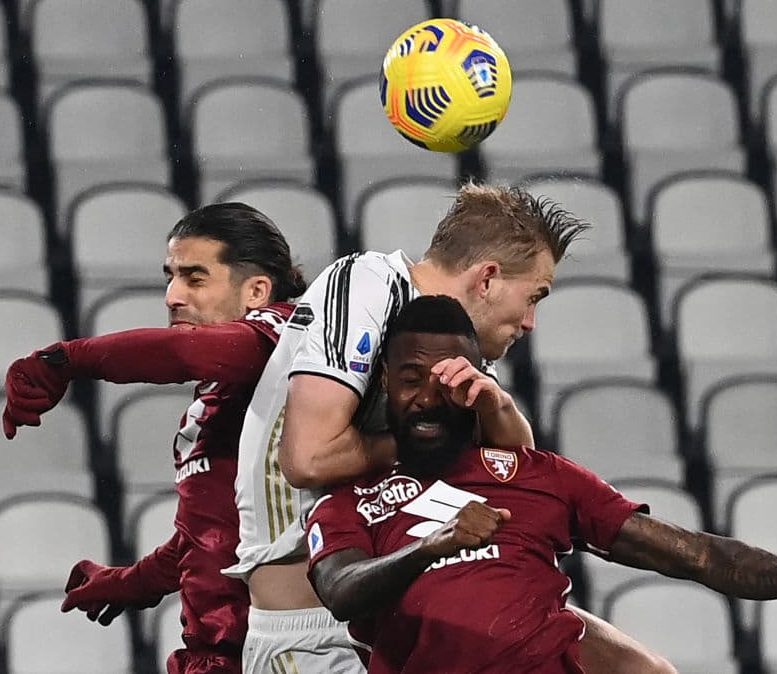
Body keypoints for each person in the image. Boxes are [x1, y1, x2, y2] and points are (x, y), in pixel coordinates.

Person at [228, 182, 677, 672]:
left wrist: (494, 406)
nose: (530, 322)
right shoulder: (369, 285)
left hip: (410, 620)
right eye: (533, 297)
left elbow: (511, 472)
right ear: (486, 279)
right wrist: (426, 441)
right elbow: (308, 458)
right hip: (317, 633)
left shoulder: (457, 349)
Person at [305, 294, 777, 673]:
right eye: (410, 380)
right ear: (384, 382)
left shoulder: (539, 476)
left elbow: (693, 555)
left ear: (477, 382)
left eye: (446, 380)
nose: (427, 398)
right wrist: (432, 546)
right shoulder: (346, 501)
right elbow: (341, 589)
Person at [1, 203, 306, 674]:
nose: (172, 295)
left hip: (282, 649)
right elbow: (210, 534)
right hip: (214, 652)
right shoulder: (218, 398)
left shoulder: (287, 339)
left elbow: (184, 354)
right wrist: (133, 581)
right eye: (170, 277)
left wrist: (65, 359)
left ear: (257, 291)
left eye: (194, 278)